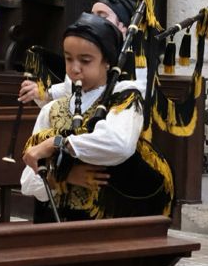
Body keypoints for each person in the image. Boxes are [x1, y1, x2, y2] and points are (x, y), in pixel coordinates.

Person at [18, 14, 145, 222]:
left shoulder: (125, 100)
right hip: (55, 223)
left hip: (108, 226)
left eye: (85, 60)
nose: (74, 68)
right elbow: (27, 181)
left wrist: (58, 143)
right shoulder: (51, 110)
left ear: (107, 62)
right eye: (69, 58)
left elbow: (119, 145)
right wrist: (62, 177)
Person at [16, 0, 141, 107]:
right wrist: (43, 92)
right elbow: (68, 89)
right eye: (92, 15)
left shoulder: (137, 63)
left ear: (124, 27)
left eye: (102, 16)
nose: (94, 20)